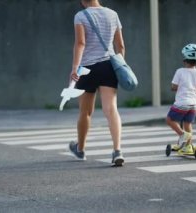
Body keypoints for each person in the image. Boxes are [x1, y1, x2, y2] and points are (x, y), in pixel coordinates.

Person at [68, 0, 125, 166]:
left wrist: (74, 68)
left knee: (85, 112)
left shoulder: (80, 16)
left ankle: (80, 149)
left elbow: (80, 43)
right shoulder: (112, 14)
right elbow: (120, 45)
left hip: (86, 68)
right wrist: (121, 65)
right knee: (111, 109)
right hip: (109, 66)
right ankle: (117, 150)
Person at [166, 43, 196, 154]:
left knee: (169, 120)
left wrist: (178, 88)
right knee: (187, 124)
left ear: (185, 59)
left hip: (181, 103)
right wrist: (192, 89)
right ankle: (187, 146)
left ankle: (182, 135)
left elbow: (174, 87)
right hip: (193, 104)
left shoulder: (180, 71)